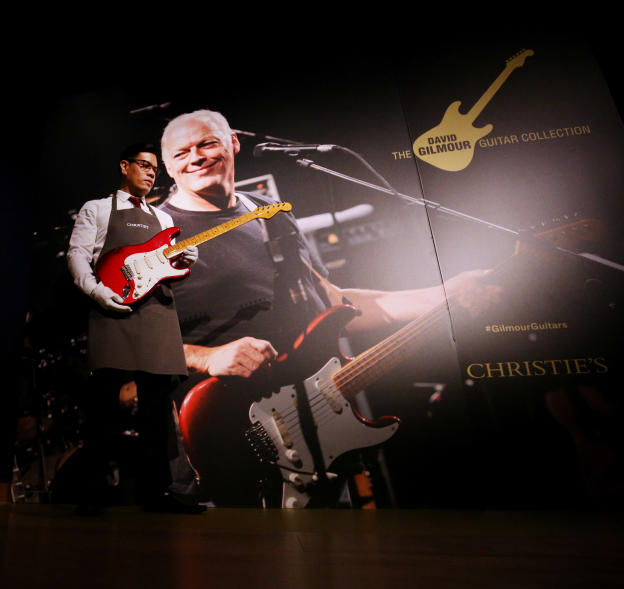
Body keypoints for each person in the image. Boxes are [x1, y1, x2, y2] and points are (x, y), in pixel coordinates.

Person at [157, 109, 494, 506]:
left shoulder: (270, 214)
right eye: (181, 153)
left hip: (311, 438)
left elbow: (336, 307)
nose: (195, 157)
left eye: (207, 143)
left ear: (233, 142)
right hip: (223, 444)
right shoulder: (153, 234)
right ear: (167, 166)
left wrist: (445, 292)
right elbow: (118, 345)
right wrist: (207, 356)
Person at [66, 142, 203, 514]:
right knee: (104, 410)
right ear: (124, 166)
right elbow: (77, 254)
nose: (149, 172)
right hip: (111, 309)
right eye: (143, 165)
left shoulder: (161, 219)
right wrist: (96, 292)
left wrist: (186, 257)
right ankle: (93, 495)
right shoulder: (96, 209)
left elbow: (168, 265)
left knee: (157, 412)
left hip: (158, 314)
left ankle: (157, 494)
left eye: (154, 169)